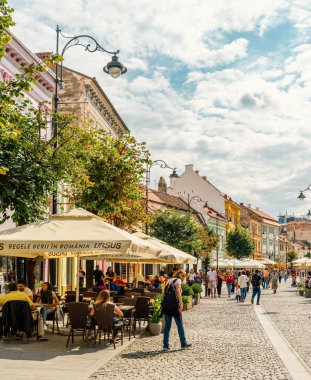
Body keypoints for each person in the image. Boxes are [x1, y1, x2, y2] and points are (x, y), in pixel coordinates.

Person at [162, 269, 191, 351]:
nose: (184, 278)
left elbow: (164, 292)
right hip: (174, 307)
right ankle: (183, 343)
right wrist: (181, 304)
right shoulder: (178, 280)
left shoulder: (168, 280)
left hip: (166, 306)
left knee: (167, 326)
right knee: (180, 324)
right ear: (181, 275)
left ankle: (165, 345)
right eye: (184, 276)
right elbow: (178, 291)